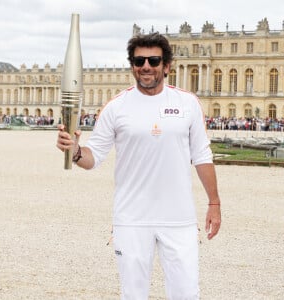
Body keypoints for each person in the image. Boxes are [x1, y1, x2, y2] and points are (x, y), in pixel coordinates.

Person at [57, 32, 221, 300]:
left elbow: (202, 156)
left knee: (187, 294)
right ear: (132, 65)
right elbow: (93, 157)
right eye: (139, 60)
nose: (146, 66)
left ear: (166, 66)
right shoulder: (115, 107)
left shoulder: (187, 103)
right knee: (133, 295)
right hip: (131, 219)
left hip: (178, 219)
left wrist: (214, 203)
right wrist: (74, 151)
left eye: (154, 60)